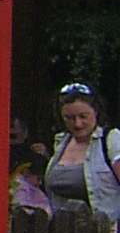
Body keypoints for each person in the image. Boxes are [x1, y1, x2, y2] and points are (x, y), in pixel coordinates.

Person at [36, 82, 120, 225]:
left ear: (96, 112)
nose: (77, 124)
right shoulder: (60, 142)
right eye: (69, 118)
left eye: (83, 116)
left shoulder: (111, 139)